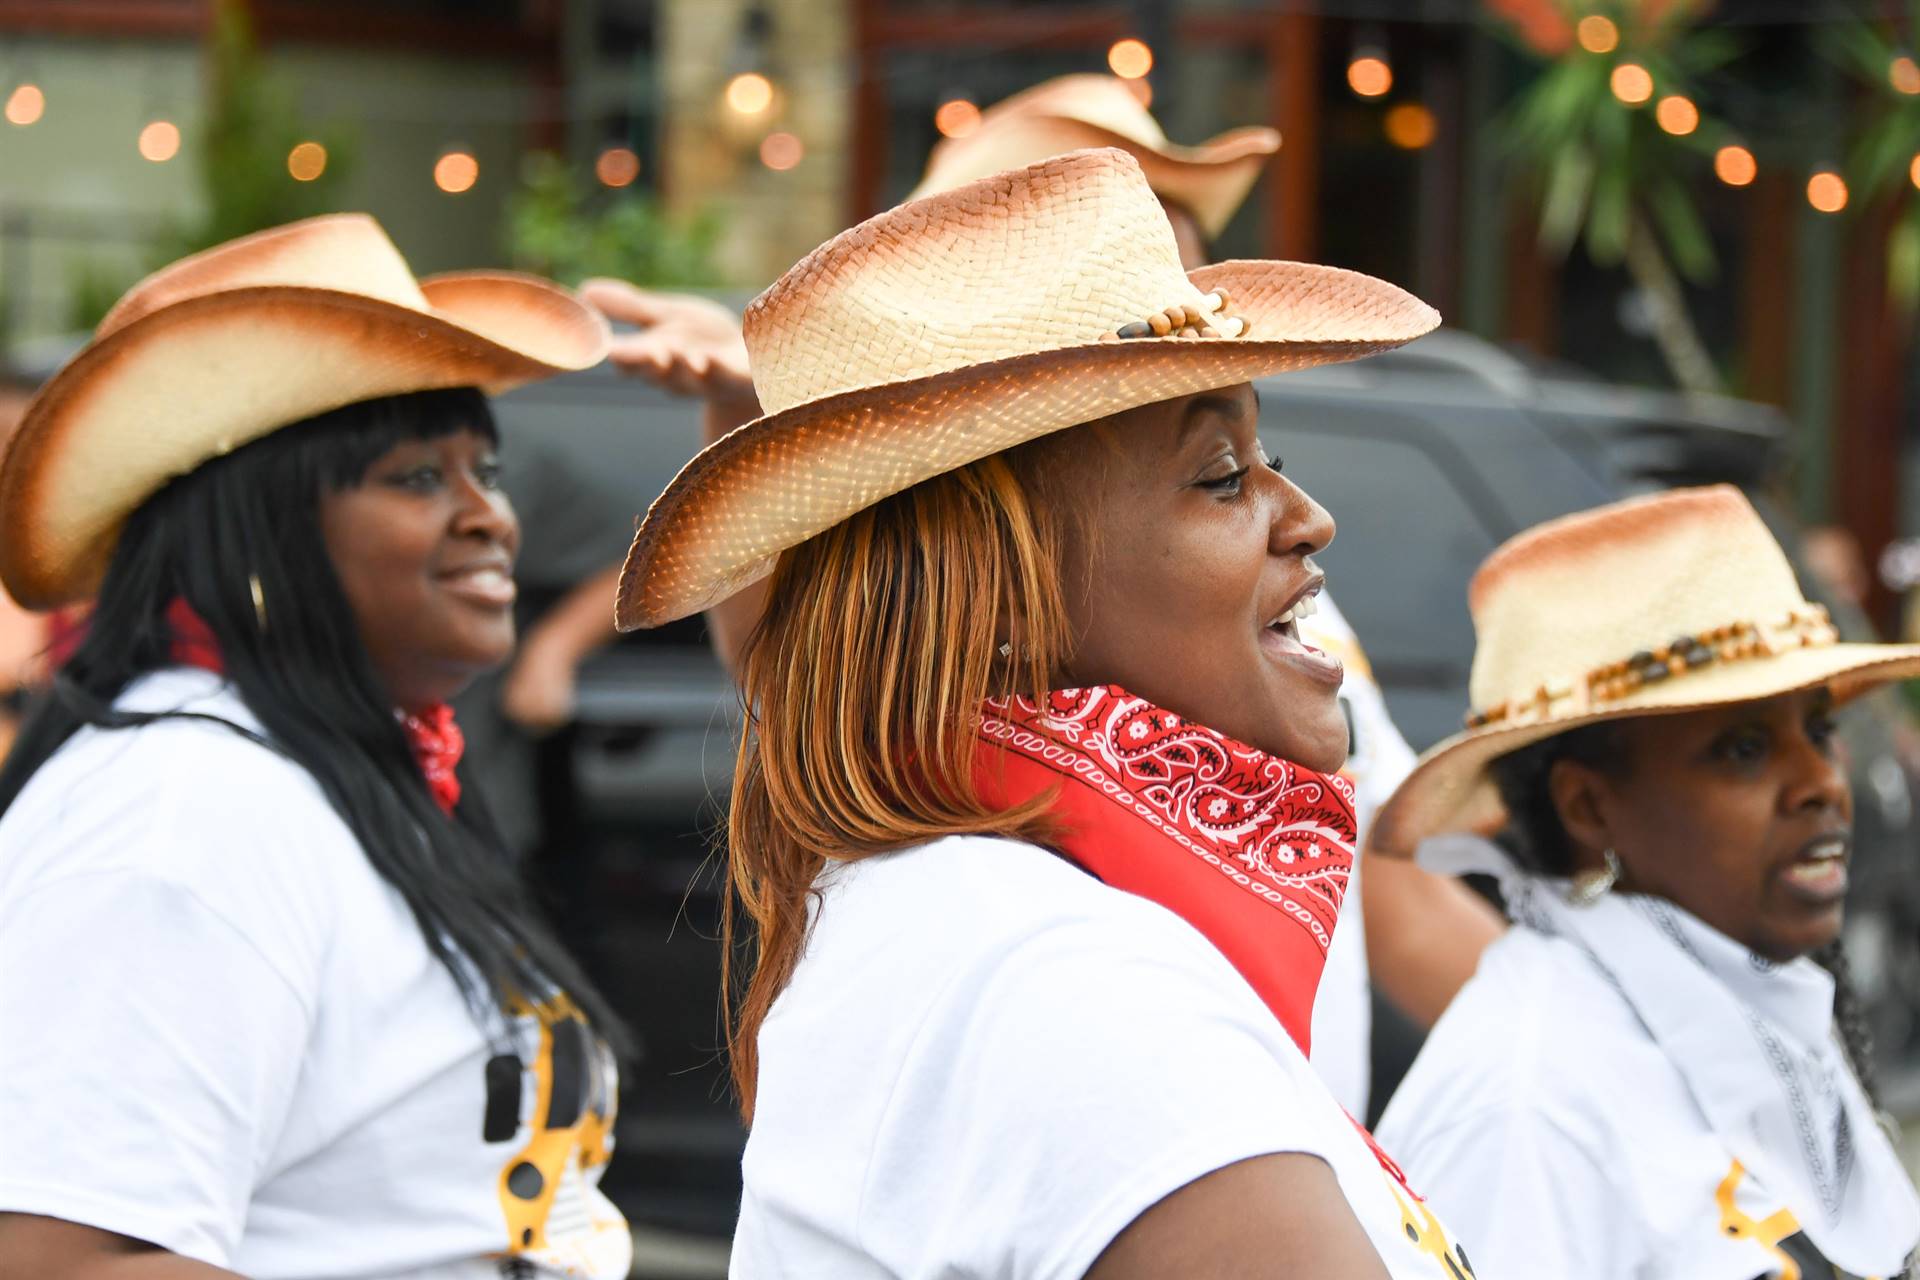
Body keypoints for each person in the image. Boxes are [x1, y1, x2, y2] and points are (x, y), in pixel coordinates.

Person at [581, 72, 1502, 1119]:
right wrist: (760, 429)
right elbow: (809, 665)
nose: (1166, 287)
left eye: (1164, 239)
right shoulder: (1033, 962)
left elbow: (1397, 898)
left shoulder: (1284, 607)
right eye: (1218, 474)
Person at [0, 215, 636, 1279]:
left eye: (486, 467)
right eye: (417, 478)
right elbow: (60, 1263)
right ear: (264, 532)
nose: (491, 517)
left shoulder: (319, 772)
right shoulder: (184, 811)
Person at [1368, 486, 1920, 1280]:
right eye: (1742, 749)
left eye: (1819, 729)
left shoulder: (1751, 1004)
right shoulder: (1530, 1105)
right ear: (1588, 806)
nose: (1820, 784)